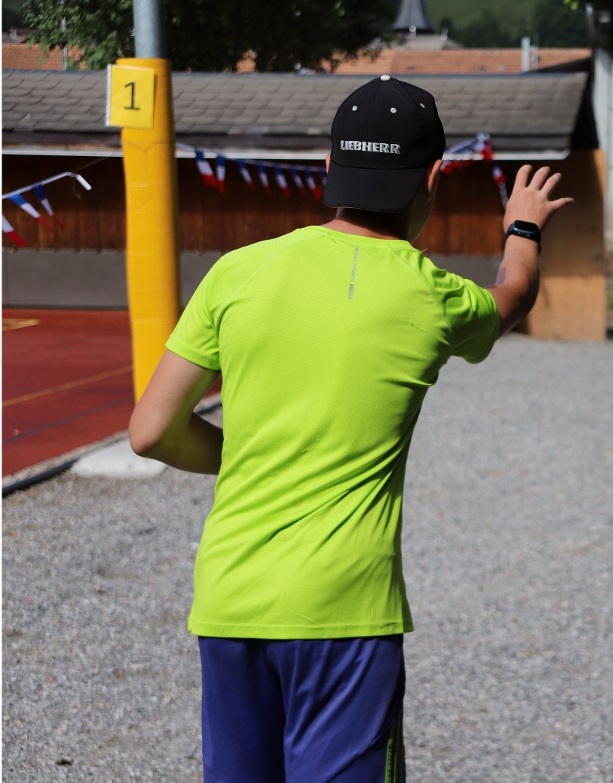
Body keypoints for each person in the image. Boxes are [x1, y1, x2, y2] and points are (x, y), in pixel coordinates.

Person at [128, 74, 572, 783]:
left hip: (230, 599)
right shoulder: (431, 295)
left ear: (330, 166)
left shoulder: (237, 272)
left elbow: (151, 431)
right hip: (347, 612)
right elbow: (513, 296)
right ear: (433, 177)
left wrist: (250, 455)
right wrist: (523, 226)